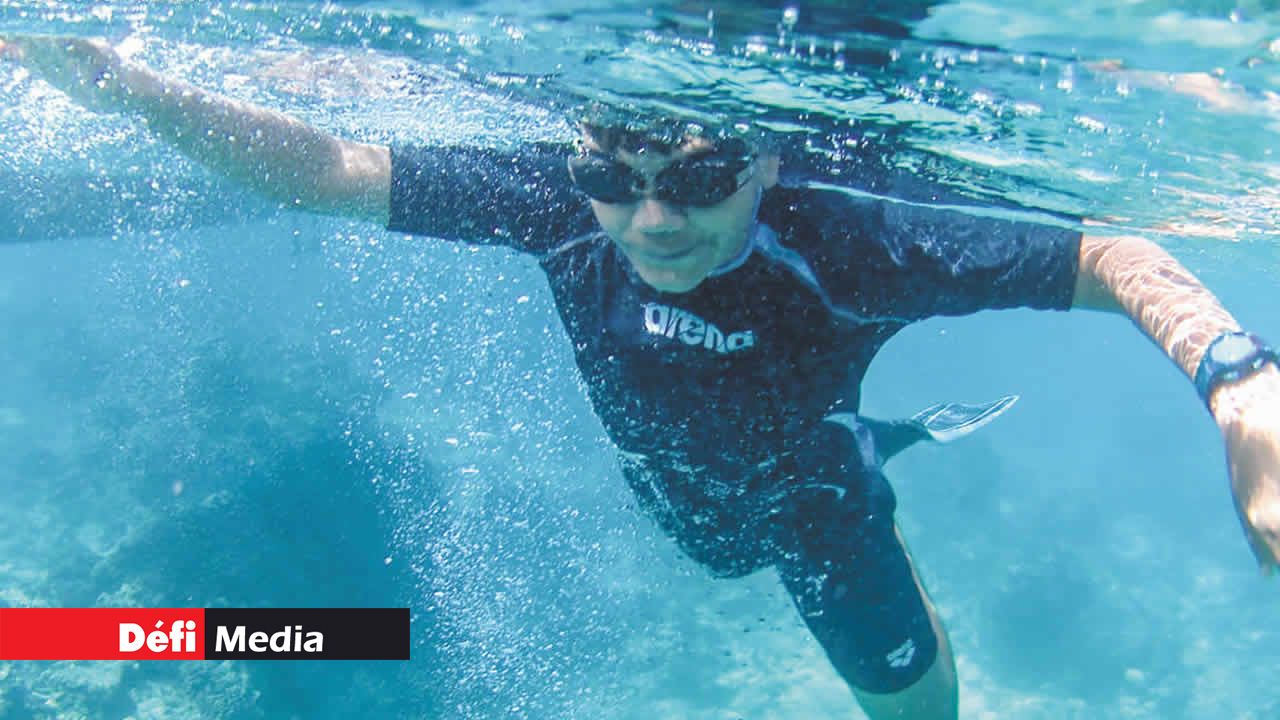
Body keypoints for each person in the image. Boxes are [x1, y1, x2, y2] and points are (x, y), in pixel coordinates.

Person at [3, 36, 1278, 720]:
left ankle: (875, 452)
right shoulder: (550, 198)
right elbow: (323, 167)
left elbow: (1108, 250)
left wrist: (1237, 377)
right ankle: (884, 440)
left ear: (766, 162)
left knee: (899, 694)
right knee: (707, 541)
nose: (652, 220)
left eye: (698, 180)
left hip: (806, 505)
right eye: (615, 179)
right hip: (675, 496)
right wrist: (135, 94)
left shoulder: (854, 237)